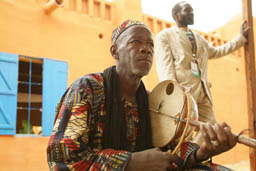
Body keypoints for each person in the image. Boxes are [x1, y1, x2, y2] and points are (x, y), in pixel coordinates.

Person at [47, 19, 238, 171]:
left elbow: (165, 158)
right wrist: (131, 162)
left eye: (150, 45)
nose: (146, 49)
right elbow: (61, 160)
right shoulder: (87, 89)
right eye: (135, 42)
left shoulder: (151, 101)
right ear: (115, 51)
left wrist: (202, 152)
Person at [155, 1, 249, 131]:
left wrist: (240, 39)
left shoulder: (199, 38)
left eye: (192, 10)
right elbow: (165, 68)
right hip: (183, 94)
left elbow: (217, 51)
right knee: (181, 133)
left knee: (212, 132)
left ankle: (198, 151)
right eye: (187, 10)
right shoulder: (165, 36)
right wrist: (175, 95)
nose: (192, 13)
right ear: (176, 15)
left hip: (203, 92)